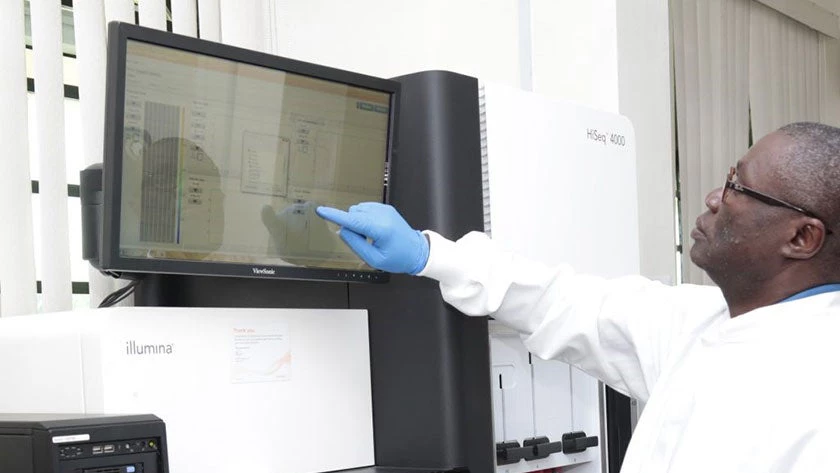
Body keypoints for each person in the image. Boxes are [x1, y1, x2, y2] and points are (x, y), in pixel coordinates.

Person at [315, 121, 840, 473]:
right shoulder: (702, 322)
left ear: (801, 238)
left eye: (737, 187)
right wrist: (428, 255)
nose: (712, 198)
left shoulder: (821, 395)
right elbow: (562, 302)